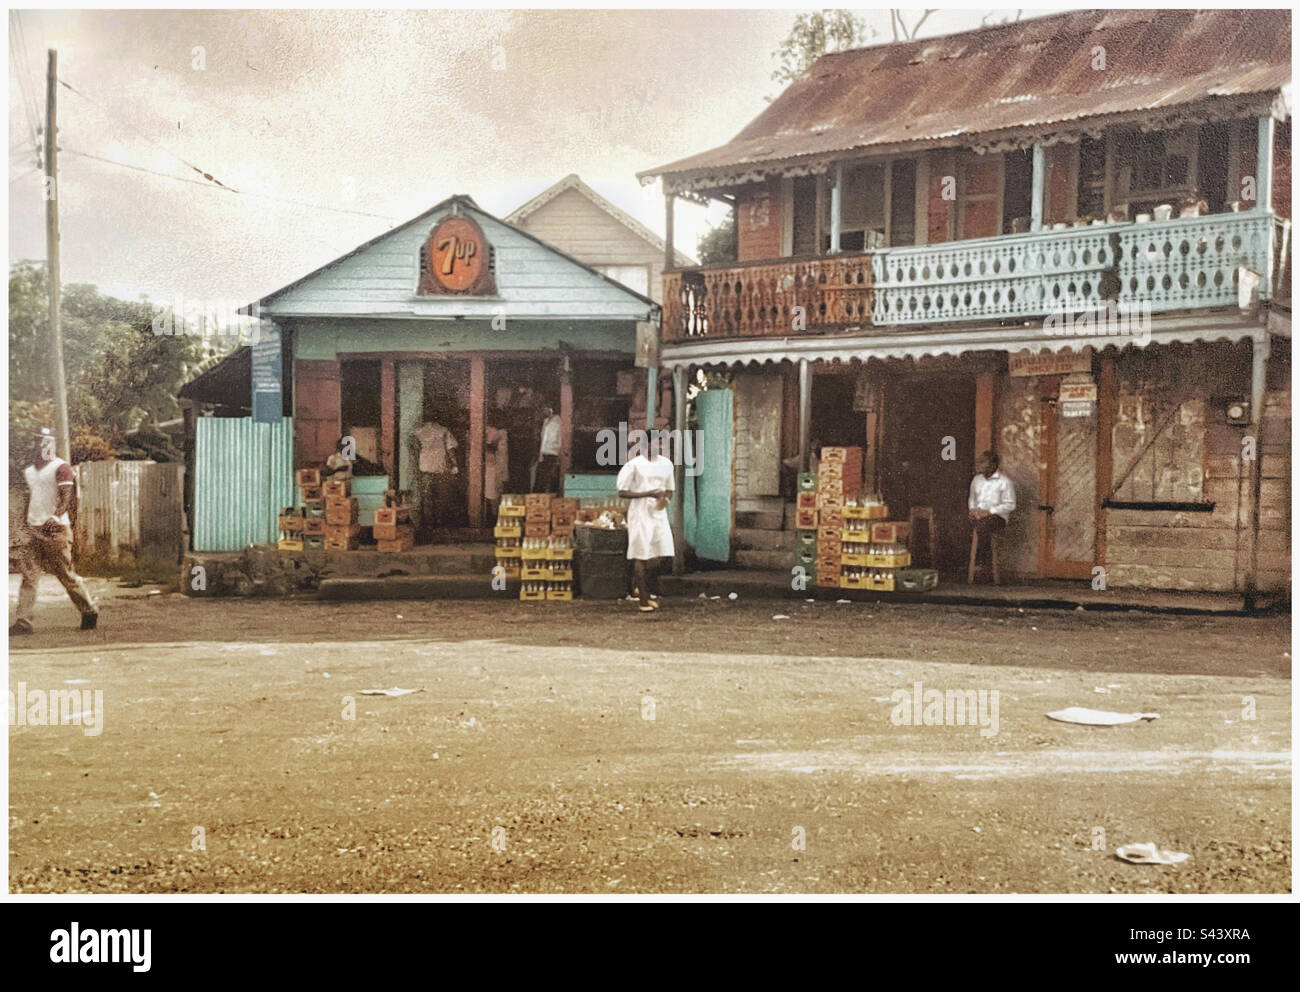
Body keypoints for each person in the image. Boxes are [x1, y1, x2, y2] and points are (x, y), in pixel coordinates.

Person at [10, 429, 98, 635]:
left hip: (55, 530)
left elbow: (66, 497)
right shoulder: (30, 471)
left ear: (53, 444)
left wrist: (56, 516)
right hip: (33, 528)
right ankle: (23, 622)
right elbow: (29, 498)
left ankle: (89, 609)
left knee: (65, 574)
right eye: (40, 442)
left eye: (48, 442)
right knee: (29, 576)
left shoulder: (61, 467)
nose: (44, 446)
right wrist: (25, 522)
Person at [616, 433, 675, 612]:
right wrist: (648, 494)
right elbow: (623, 491)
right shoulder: (634, 465)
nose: (655, 448)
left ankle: (640, 586)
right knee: (640, 553)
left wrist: (664, 500)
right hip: (640, 512)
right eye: (651, 444)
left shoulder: (666, 464)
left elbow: (669, 489)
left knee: (661, 552)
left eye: (659, 444)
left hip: (658, 512)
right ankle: (643, 599)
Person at [968, 450, 1015, 582]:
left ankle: (984, 564)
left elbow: (1010, 505)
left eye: (983, 462)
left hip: (997, 518)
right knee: (961, 524)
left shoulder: (1004, 482)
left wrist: (989, 511)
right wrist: (973, 510)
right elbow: (972, 499)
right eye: (979, 462)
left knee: (983, 526)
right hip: (978, 516)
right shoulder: (976, 480)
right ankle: (972, 564)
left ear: (993, 464)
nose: (979, 464)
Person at [535, 401, 562, 493]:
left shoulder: (559, 421)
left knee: (550, 478)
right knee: (541, 477)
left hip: (554, 453)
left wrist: (559, 455)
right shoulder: (546, 421)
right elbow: (543, 439)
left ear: (551, 409)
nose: (543, 411)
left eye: (545, 408)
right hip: (544, 453)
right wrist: (540, 454)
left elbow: (561, 439)